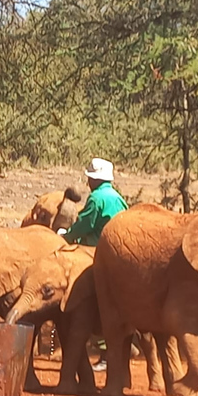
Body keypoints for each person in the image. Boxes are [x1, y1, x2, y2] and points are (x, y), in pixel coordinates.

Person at [60, 157, 128, 372]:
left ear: (94, 180)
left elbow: (85, 226)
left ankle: (105, 352)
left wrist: (66, 235)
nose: (88, 181)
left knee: (88, 302)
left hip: (96, 255)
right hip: (119, 257)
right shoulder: (118, 198)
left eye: (89, 178)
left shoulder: (96, 199)